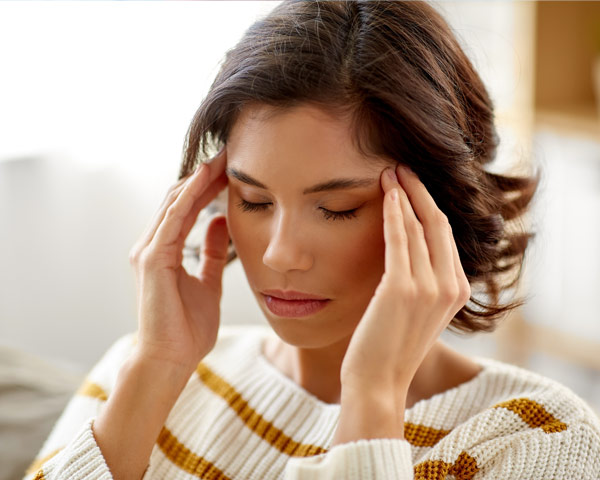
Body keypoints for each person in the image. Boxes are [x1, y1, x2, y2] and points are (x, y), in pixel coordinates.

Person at [25, 1, 600, 479]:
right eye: (254, 201)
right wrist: (156, 369)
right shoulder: (141, 367)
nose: (278, 253)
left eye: (336, 208)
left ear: (439, 209)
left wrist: (371, 400)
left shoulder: (535, 436)